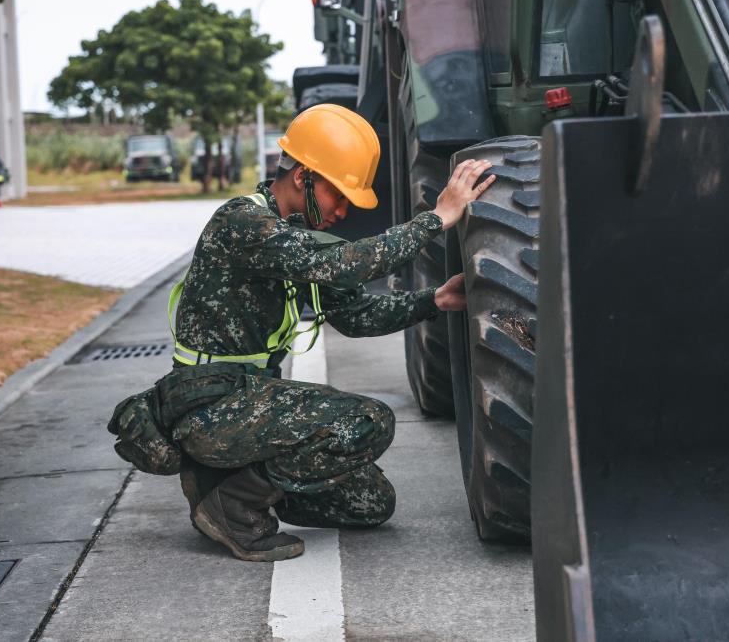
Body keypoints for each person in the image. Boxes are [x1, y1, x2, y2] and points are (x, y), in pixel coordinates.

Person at [167, 104, 495, 561]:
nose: (343, 210)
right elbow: (343, 263)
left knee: (371, 503)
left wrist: (435, 300)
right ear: (303, 176)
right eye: (339, 194)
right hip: (209, 404)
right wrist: (436, 219)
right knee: (369, 421)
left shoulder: (295, 237)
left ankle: (226, 481)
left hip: (245, 400)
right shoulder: (243, 223)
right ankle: (231, 504)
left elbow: (356, 316)